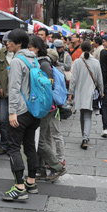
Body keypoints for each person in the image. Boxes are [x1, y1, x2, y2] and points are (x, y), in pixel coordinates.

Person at [1, 28, 41, 202]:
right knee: (30, 146)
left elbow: (14, 88)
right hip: (34, 110)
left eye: (10, 41)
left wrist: (12, 113)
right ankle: (31, 182)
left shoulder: (17, 61)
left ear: (19, 43)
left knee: (13, 147)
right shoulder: (34, 59)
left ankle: (19, 188)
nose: (7, 43)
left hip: (21, 111)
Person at [30, 36, 67, 182]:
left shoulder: (43, 63)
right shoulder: (39, 62)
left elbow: (47, 88)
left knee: (40, 141)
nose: (29, 49)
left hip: (45, 107)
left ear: (37, 48)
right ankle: (43, 168)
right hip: (42, 107)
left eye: (30, 47)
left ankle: (57, 166)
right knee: (42, 138)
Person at [67, 40, 103, 150]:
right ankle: (85, 137)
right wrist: (102, 91)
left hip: (80, 91)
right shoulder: (96, 62)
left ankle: (84, 136)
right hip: (91, 92)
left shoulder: (77, 62)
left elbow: (73, 79)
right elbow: (99, 79)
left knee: (82, 114)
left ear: (81, 49)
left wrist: (70, 92)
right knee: (88, 115)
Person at [0, 33, 14, 156]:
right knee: (4, 119)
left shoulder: (20, 54)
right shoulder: (1, 52)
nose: (7, 44)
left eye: (9, 41)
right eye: (5, 41)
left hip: (17, 94)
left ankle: (14, 145)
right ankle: (5, 144)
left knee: (16, 121)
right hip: (4, 92)